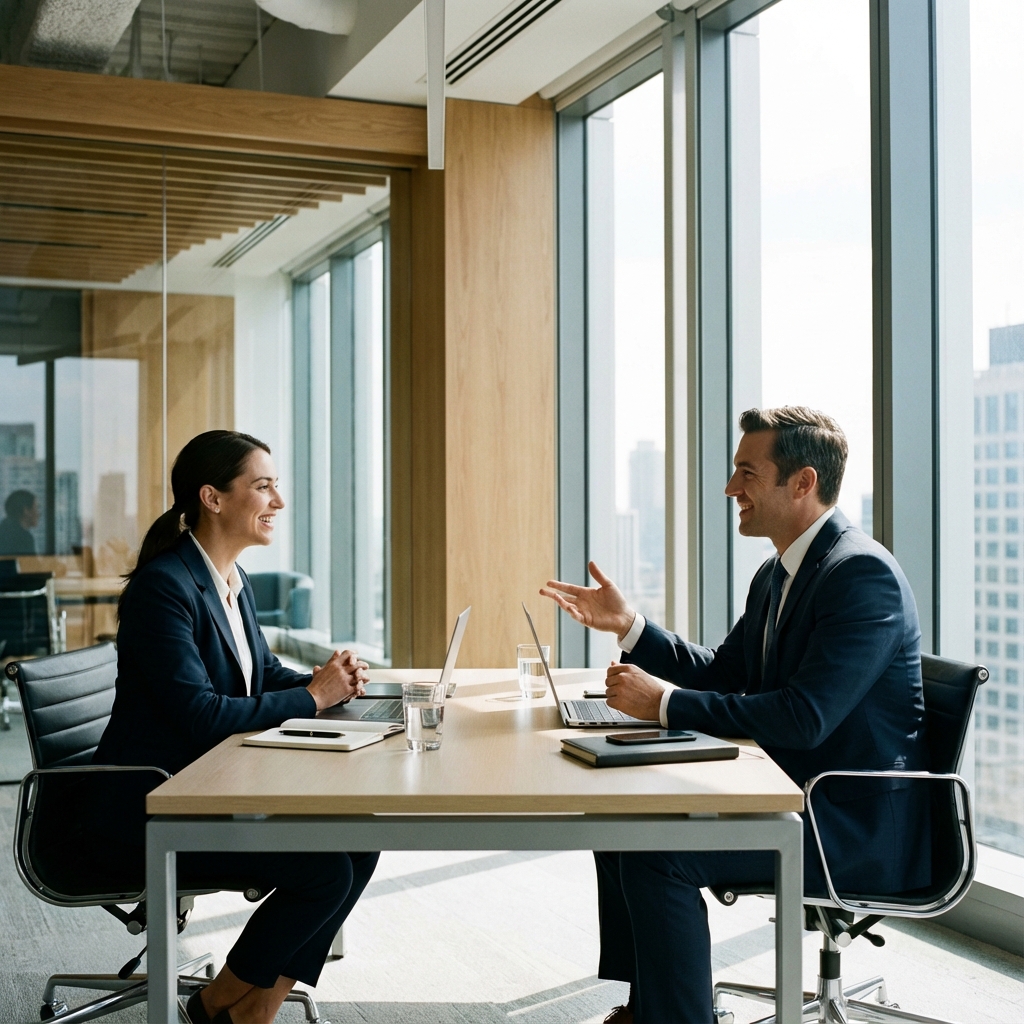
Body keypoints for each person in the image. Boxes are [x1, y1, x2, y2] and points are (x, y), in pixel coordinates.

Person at [541, 406, 930, 1024]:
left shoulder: (861, 576)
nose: (730, 489)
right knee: (621, 821)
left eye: (746, 473)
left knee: (654, 853)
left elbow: (805, 719)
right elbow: (725, 675)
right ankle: (653, 1007)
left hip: (846, 824)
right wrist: (630, 627)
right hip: (786, 793)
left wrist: (662, 702)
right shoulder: (778, 574)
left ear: (802, 483)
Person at [94, 430, 378, 1024]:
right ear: (213, 497)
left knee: (360, 838)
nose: (278, 501)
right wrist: (311, 696)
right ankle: (218, 1005)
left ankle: (260, 1005)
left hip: (211, 786)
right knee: (324, 871)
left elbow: (260, 672)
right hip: (158, 801)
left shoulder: (229, 577)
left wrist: (329, 681)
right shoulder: (164, 588)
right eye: (264, 486)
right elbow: (200, 714)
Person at [0, 489, 39, 555]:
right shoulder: (24, 538)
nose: (38, 513)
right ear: (26, 511)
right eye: (36, 508)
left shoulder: (3, 529)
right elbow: (28, 565)